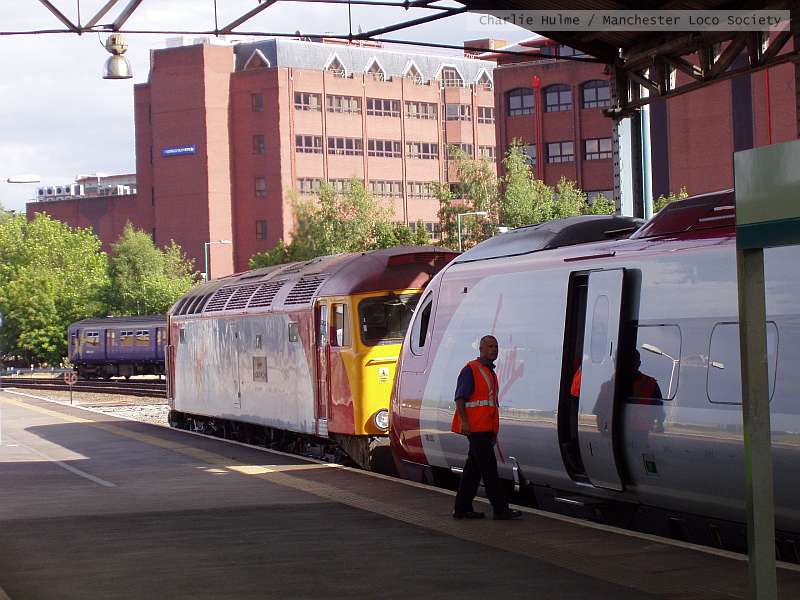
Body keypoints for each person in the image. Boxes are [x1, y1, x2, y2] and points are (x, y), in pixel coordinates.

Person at [451, 335, 522, 521]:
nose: (494, 350)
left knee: (473, 470)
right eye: (490, 346)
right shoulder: (471, 370)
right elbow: (460, 398)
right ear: (481, 348)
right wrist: (465, 422)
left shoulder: (489, 371)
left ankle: (462, 508)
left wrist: (493, 431)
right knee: (489, 470)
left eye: (496, 346)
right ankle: (500, 509)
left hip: (485, 428)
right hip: (476, 429)